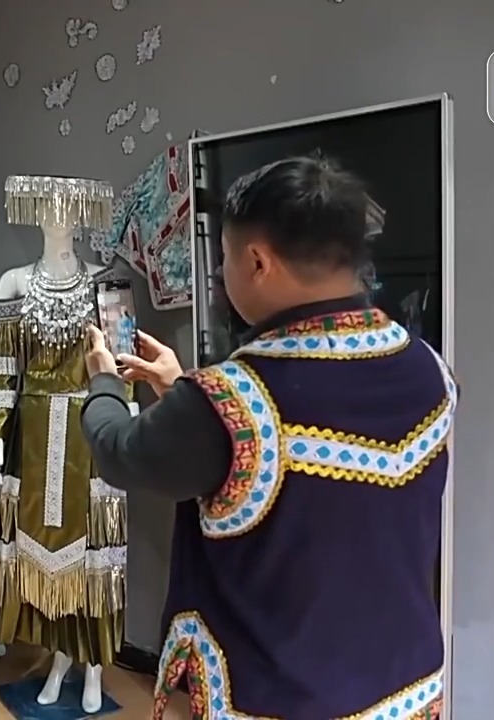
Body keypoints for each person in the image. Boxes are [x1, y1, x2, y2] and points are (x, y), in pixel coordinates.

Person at [80, 156, 455, 719]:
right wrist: (183, 389)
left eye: (223, 258)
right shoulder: (430, 370)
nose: (221, 274)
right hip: (404, 691)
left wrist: (104, 381)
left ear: (257, 261)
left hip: (276, 697)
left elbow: (121, 453)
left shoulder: (231, 395)